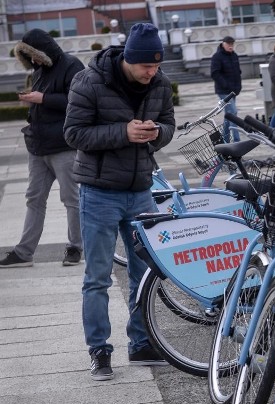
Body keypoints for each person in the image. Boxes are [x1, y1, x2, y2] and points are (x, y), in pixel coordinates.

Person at [64, 22, 176, 381]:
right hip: (98, 192)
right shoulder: (90, 81)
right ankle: (99, 350)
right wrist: (124, 132)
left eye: (157, 65)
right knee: (97, 276)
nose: (152, 72)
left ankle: (141, 343)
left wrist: (157, 134)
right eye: (146, 66)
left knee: (146, 273)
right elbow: (73, 133)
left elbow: (170, 125)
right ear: (129, 59)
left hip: (141, 187)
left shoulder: (159, 83)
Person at [0, 29, 84, 269]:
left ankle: (75, 247)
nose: (33, 61)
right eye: (28, 56)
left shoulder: (71, 64)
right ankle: (24, 253)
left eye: (34, 55)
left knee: (71, 198)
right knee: (34, 198)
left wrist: (43, 99)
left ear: (44, 51)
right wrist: (32, 100)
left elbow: (81, 100)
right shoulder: (39, 70)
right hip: (37, 145)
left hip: (63, 145)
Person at [210, 36, 242, 142]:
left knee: (228, 116)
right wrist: (226, 85)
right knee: (233, 113)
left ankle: (225, 140)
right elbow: (215, 73)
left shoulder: (234, 56)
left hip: (233, 91)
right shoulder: (217, 57)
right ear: (223, 44)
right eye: (228, 43)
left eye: (232, 43)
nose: (230, 45)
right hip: (223, 91)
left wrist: (238, 87)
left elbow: (238, 72)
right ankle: (237, 141)